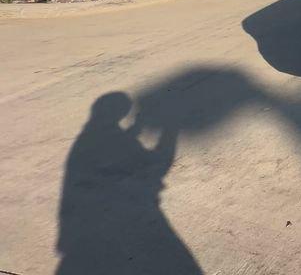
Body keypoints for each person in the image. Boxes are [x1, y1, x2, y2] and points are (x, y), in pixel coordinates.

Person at [56, 92, 201, 275]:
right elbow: (157, 165)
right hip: (125, 223)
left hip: (86, 235)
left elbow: (116, 144)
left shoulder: (89, 140)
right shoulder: (98, 139)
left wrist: (137, 127)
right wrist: (171, 130)